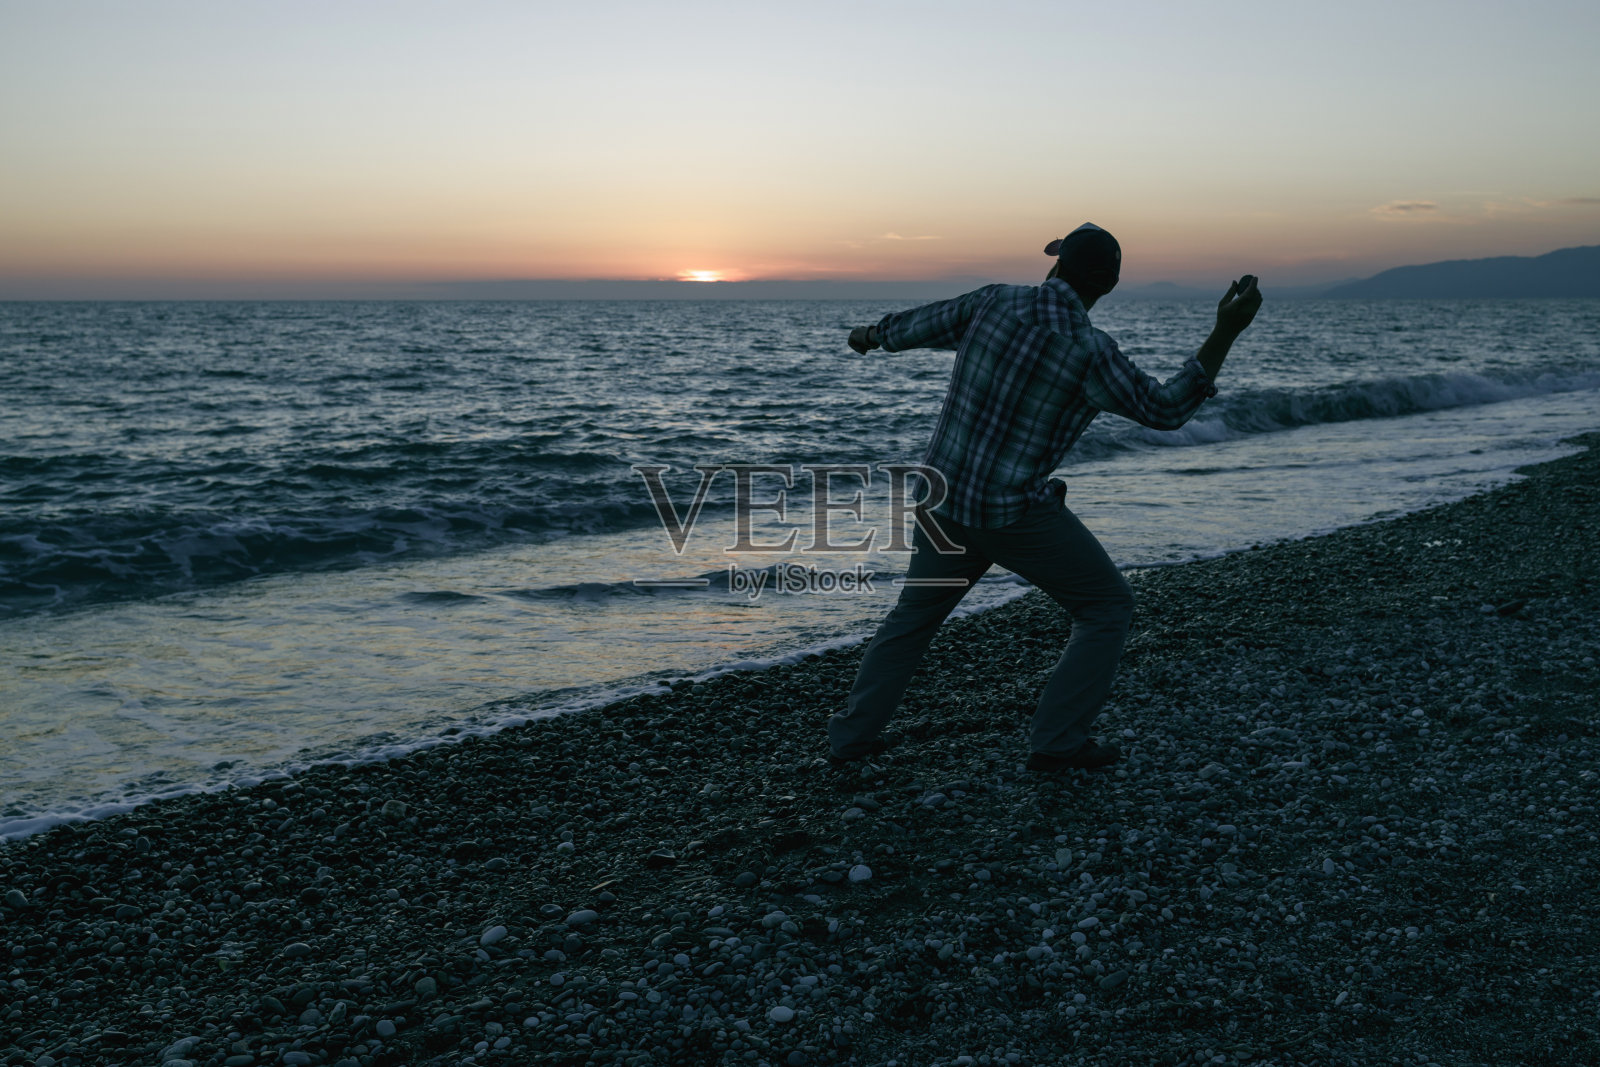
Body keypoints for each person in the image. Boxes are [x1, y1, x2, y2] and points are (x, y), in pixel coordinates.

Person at [830, 222, 1262, 773]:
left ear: (1056, 265)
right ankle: (1057, 742)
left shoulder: (994, 302)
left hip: (941, 499)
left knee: (912, 620)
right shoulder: (1090, 353)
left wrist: (869, 336)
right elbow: (1167, 410)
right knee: (1107, 607)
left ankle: (851, 741)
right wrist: (1225, 330)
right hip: (1009, 514)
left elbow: (916, 326)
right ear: (1106, 287)